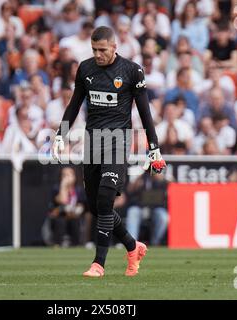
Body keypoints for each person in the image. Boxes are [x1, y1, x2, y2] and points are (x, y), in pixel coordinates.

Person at [52, 26, 166, 277]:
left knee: (105, 200)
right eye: (94, 50)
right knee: (97, 207)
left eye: (102, 50)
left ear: (114, 47)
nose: (98, 54)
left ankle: (98, 264)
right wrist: (60, 134)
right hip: (93, 141)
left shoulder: (131, 70)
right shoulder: (85, 69)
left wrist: (154, 148)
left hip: (118, 140)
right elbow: (74, 105)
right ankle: (133, 246)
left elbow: (145, 112)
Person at [125, 170, 168, 246]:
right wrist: (138, 179)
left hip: (156, 207)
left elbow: (171, 185)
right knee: (132, 212)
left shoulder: (160, 177)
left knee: (163, 216)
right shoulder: (140, 177)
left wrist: (160, 178)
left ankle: (155, 243)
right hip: (139, 206)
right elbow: (129, 190)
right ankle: (132, 244)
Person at [47, 167, 87, 247]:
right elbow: (63, 201)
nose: (67, 177)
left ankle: (76, 245)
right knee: (60, 222)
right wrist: (63, 185)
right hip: (60, 217)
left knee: (75, 222)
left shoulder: (78, 190)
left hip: (74, 216)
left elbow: (82, 207)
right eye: (64, 175)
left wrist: (74, 211)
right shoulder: (56, 188)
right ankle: (57, 244)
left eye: (69, 175)